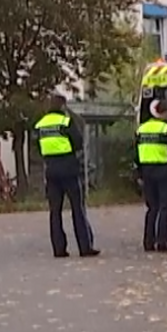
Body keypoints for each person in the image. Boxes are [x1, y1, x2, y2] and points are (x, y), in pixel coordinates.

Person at [34, 93, 98, 259]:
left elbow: (38, 147)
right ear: (62, 106)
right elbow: (78, 142)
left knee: (55, 211)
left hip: (51, 171)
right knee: (77, 208)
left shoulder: (40, 125)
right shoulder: (66, 122)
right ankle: (85, 247)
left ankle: (59, 249)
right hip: (69, 170)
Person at [137, 98, 167, 252]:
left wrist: (138, 173)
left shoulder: (142, 129)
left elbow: (135, 154)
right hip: (164, 170)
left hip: (146, 171)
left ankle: (148, 241)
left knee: (152, 207)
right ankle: (163, 241)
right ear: (165, 113)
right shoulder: (166, 129)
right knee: (165, 206)